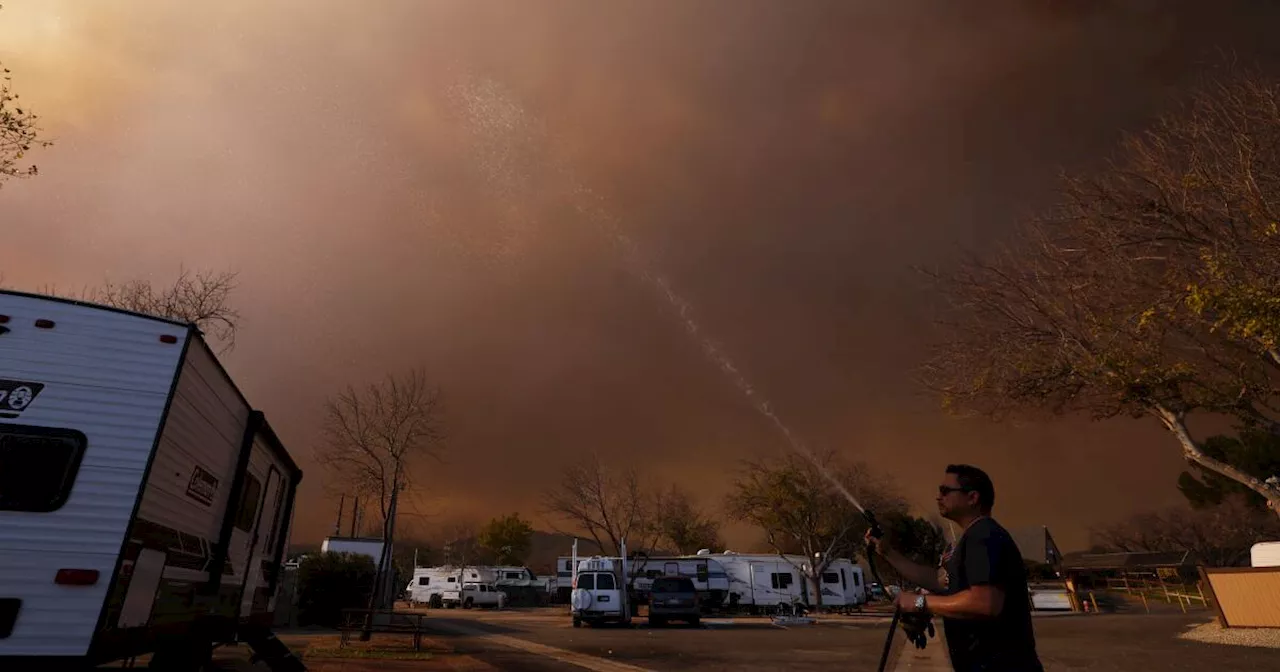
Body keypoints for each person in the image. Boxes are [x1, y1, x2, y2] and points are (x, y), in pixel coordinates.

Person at [865, 464, 1044, 672]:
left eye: (945, 491)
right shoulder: (973, 538)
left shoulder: (983, 535)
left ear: (972, 498)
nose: (938, 497)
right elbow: (937, 580)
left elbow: (985, 602)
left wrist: (920, 603)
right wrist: (887, 552)